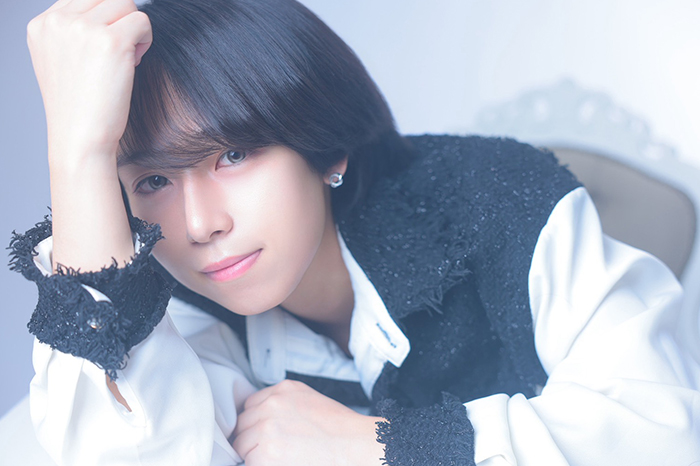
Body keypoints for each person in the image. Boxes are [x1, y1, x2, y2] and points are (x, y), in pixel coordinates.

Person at [8, 0, 700, 464]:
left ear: (325, 146)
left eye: (234, 156)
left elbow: (664, 437)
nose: (199, 224)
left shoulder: (497, 199)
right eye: (154, 181)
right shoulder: (171, 299)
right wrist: (76, 156)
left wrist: (380, 446)